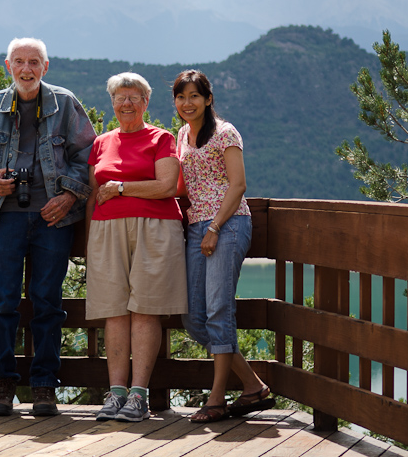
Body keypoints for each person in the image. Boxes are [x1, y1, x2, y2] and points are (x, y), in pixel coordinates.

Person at [0, 37, 96, 417]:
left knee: (48, 304)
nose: (26, 69)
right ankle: (2, 385)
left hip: (53, 219)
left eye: (34, 62)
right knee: (2, 302)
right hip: (3, 217)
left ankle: (44, 385)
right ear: (8, 66)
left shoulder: (65, 103)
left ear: (45, 66)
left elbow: (85, 158)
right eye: (19, 62)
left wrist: (69, 197)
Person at [85, 72, 187, 423]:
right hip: (105, 230)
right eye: (120, 97)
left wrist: (122, 188)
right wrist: (88, 242)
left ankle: (138, 396)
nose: (126, 103)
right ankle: (115, 395)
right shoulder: (101, 142)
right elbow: (92, 195)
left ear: (146, 102)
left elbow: (167, 186)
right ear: (111, 102)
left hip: (155, 228)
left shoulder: (162, 138)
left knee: (145, 309)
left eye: (134, 97)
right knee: (114, 309)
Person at [172, 69, 272, 423]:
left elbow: (238, 184)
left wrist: (215, 227)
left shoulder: (226, 132)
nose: (187, 103)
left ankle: (216, 399)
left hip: (227, 225)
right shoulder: (182, 135)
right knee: (193, 319)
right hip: (195, 226)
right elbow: (185, 185)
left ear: (208, 99)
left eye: (194, 96)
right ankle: (253, 386)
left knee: (218, 310)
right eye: (181, 97)